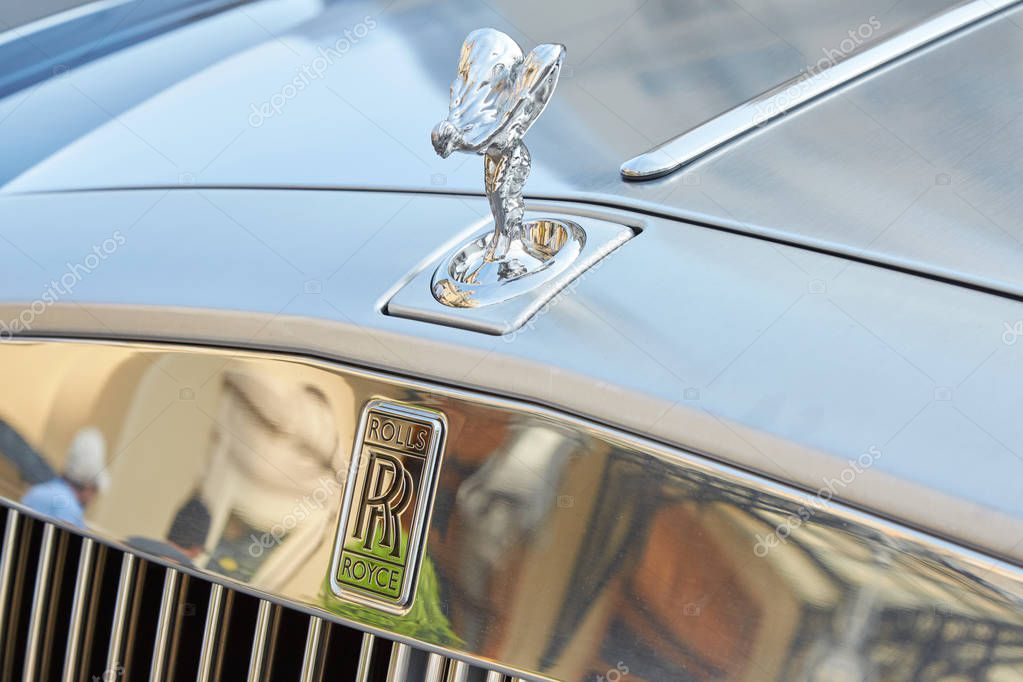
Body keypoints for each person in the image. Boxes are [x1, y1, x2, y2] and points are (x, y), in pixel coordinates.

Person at [21, 427, 109, 527]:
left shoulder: (36, 491)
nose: (92, 501)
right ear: (88, 486)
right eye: (94, 491)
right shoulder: (70, 509)